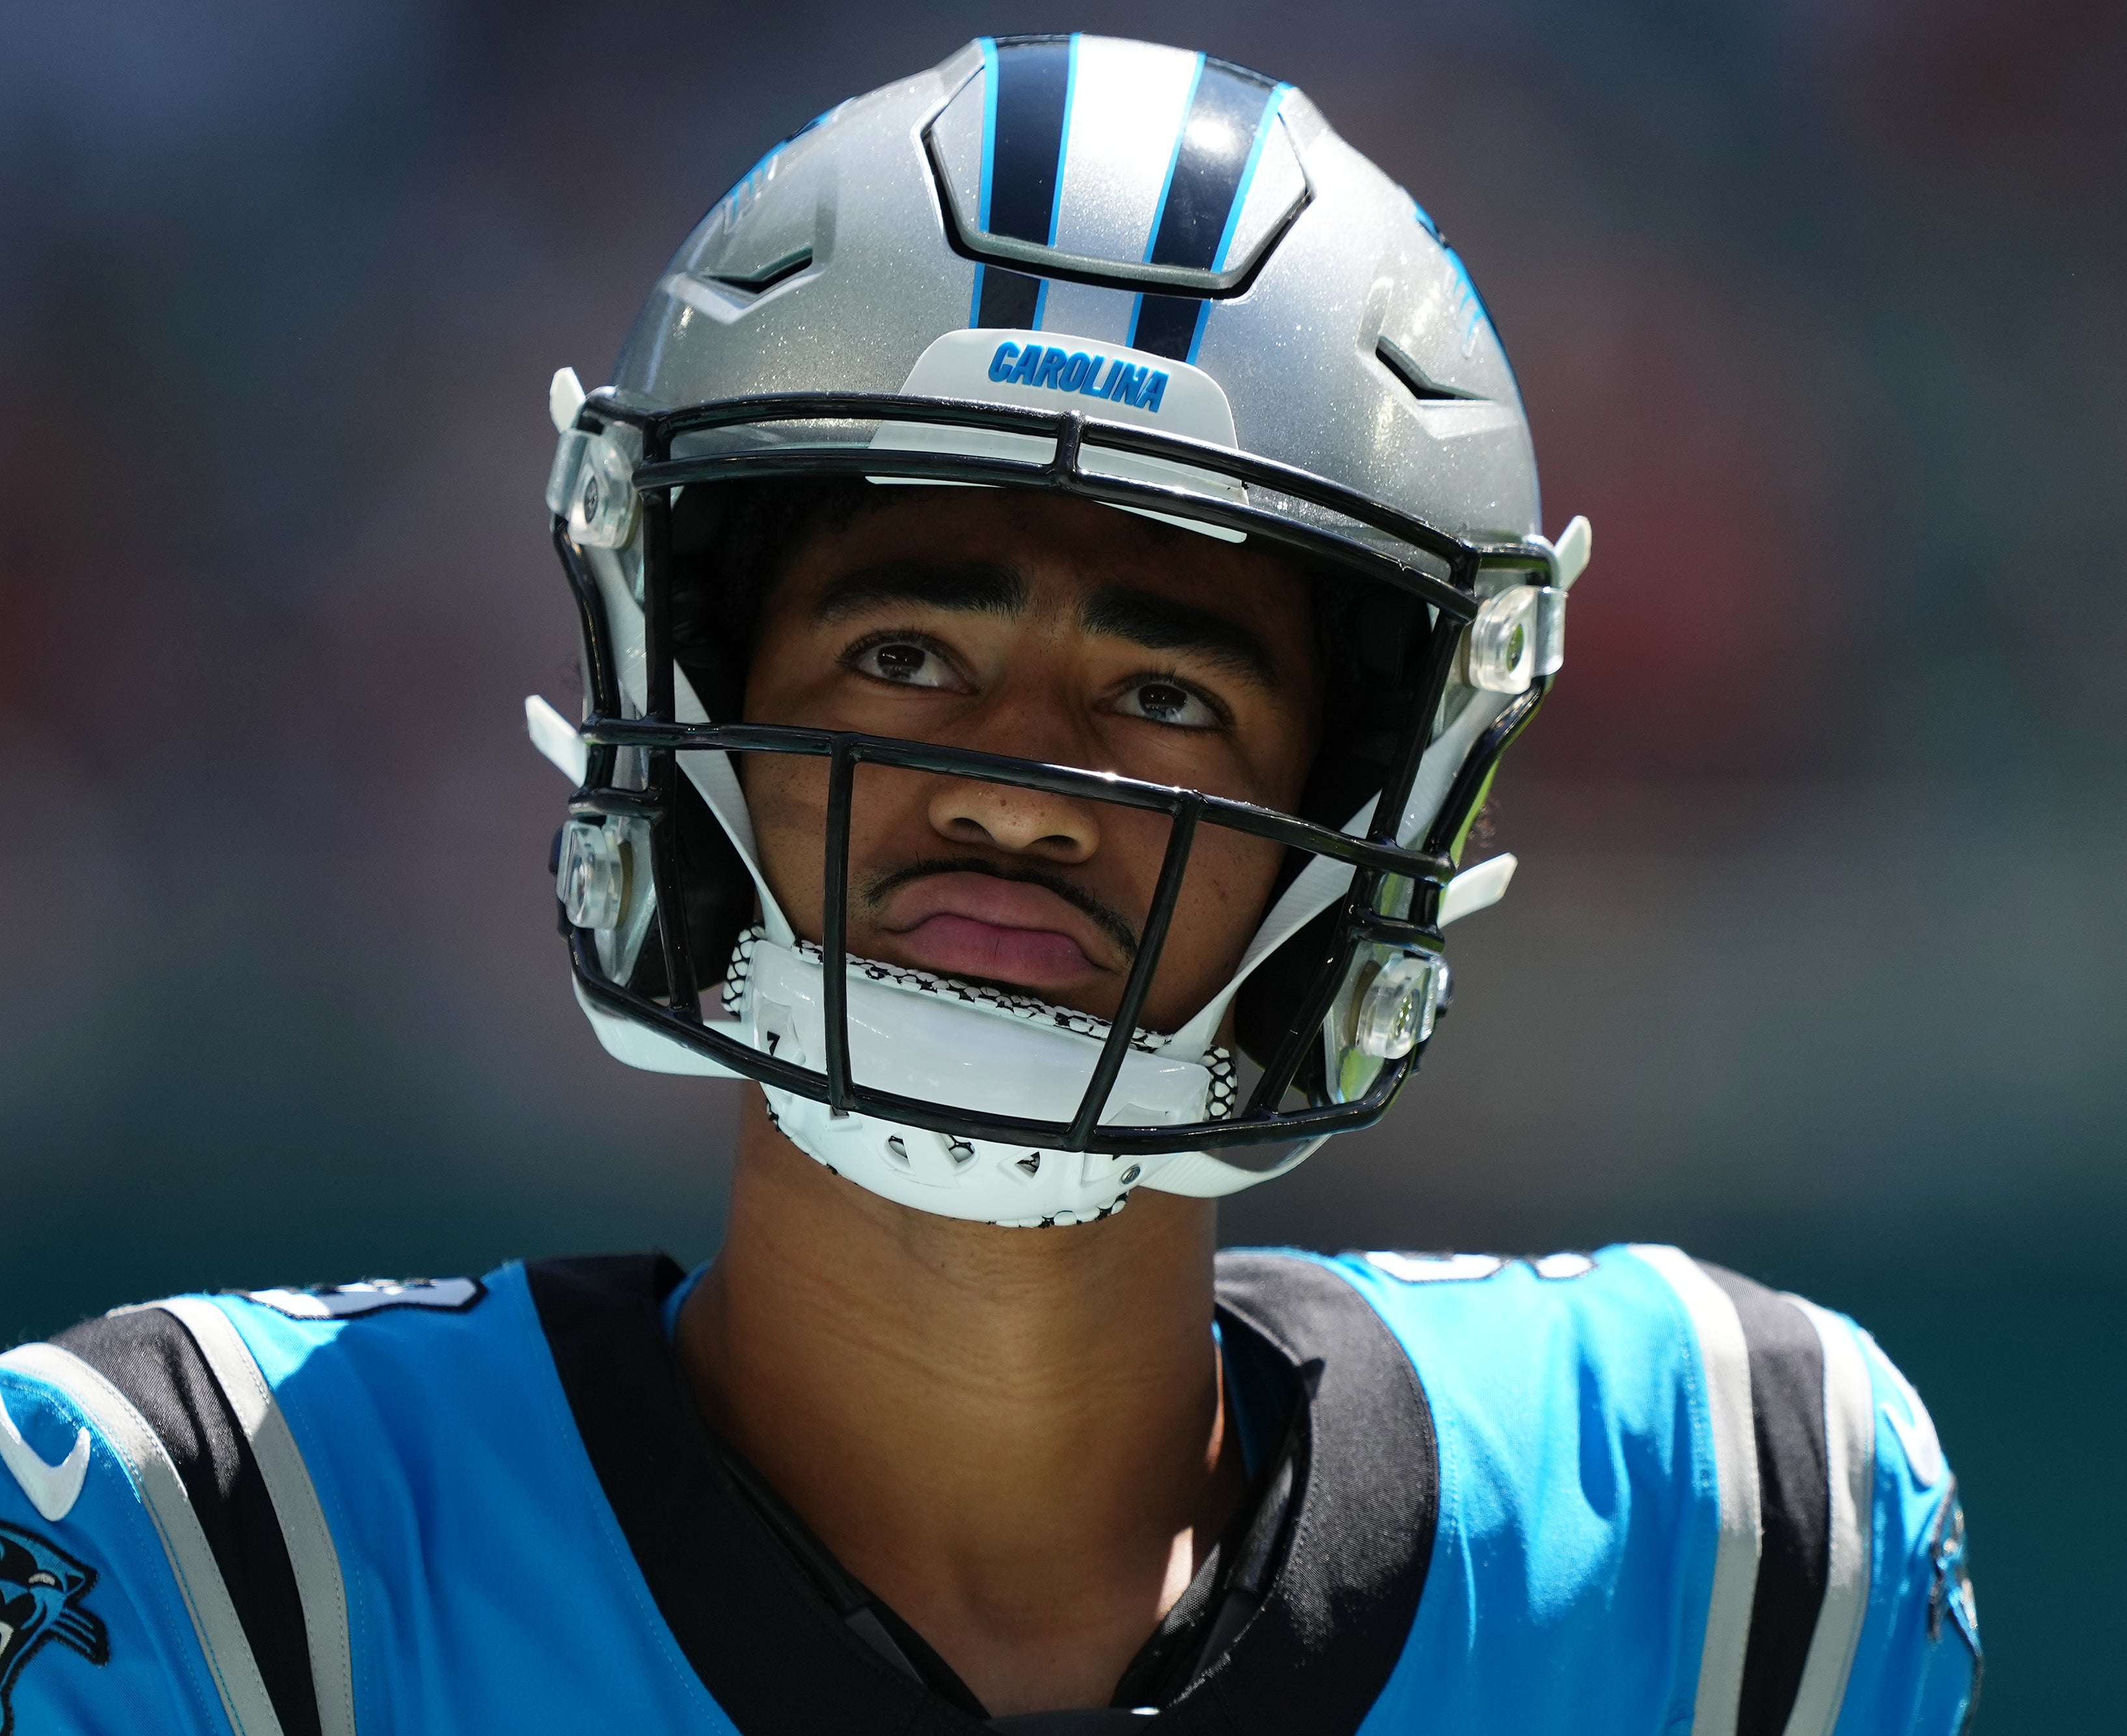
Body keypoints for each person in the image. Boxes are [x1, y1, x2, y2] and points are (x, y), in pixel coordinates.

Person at [0, 33, 1979, 1736]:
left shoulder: (1711, 1537)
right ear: (696, 705)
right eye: (908, 656)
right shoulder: (220, 1551)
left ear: (1375, 791)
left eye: (1164, 689)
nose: (1024, 789)